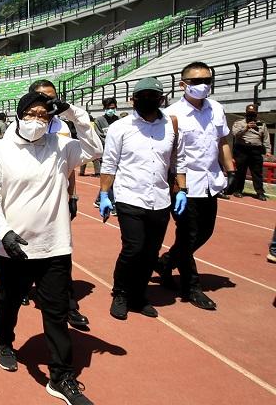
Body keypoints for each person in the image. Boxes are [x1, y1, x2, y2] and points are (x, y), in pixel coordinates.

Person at [0, 91, 102, 405]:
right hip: (13, 247)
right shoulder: (0, 150)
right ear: (20, 115)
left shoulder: (60, 146)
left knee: (56, 311)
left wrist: (75, 114)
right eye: (32, 113)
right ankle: (5, 342)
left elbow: (95, 148)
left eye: (44, 115)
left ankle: (61, 377)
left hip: (54, 246)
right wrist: (4, 231)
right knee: (9, 302)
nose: (38, 120)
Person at [100, 77, 187, 320]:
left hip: (159, 198)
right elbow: (109, 163)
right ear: (133, 100)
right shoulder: (121, 127)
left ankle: (139, 295)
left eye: (154, 96)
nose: (148, 100)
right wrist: (105, 194)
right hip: (130, 196)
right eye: (143, 96)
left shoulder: (171, 125)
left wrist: (181, 189)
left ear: (161, 99)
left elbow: (177, 161)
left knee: (151, 251)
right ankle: (120, 293)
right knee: (133, 248)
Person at [156, 62, 235, 310]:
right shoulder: (172, 114)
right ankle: (191, 287)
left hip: (211, 181)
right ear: (182, 84)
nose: (202, 86)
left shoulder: (217, 109)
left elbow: (222, 140)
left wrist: (230, 169)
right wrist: (174, 186)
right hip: (184, 184)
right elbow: (168, 153)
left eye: (207, 81)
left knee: (205, 232)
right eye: (196, 81)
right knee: (187, 234)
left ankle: (168, 261)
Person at [29, 79, 95, 330]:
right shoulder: (22, 124)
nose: (49, 102)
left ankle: (69, 305)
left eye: (52, 97)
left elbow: (71, 166)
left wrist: (73, 195)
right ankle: (24, 288)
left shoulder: (63, 128)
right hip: (26, 200)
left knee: (60, 254)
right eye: (43, 97)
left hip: (56, 200)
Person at [230, 103, 271, 201]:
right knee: (241, 171)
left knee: (257, 172)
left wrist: (268, 150)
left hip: (255, 150)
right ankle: (238, 190)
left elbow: (266, 138)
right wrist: (246, 127)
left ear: (256, 114)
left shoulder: (262, 124)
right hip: (242, 150)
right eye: (249, 114)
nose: (251, 116)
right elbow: (235, 134)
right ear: (246, 113)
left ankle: (260, 193)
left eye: (253, 114)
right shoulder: (239, 123)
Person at [91, 98, 120, 209]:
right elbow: (99, 136)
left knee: (112, 177)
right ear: (104, 108)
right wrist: (110, 143)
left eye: (113, 108)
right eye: (108, 108)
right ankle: (113, 202)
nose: (111, 110)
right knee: (110, 176)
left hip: (117, 152)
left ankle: (99, 199)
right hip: (105, 152)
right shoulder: (99, 120)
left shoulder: (118, 120)